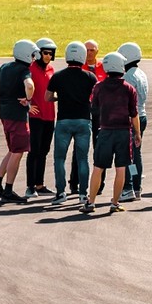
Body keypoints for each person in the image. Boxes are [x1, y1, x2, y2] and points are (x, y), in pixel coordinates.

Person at [87, 52, 140, 214]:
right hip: (123, 132)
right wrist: (137, 133)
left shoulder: (99, 87)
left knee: (98, 167)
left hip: (105, 131)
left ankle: (91, 202)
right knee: (121, 168)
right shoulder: (128, 89)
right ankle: (115, 202)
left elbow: (94, 108)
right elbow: (134, 114)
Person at [0, 40, 36, 202]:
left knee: (12, 150)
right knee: (17, 152)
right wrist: (28, 99)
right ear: (27, 54)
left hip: (4, 114)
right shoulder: (24, 70)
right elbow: (29, 85)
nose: (34, 58)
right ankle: (8, 189)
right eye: (33, 54)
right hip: (17, 117)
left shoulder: (5, 67)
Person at [49, 42, 97, 200]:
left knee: (59, 158)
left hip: (63, 120)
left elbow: (47, 97)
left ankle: (61, 192)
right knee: (82, 158)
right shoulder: (90, 77)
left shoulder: (58, 76)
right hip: (83, 120)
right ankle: (83, 194)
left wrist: (59, 97)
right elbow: (96, 97)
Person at [25, 37, 56, 197]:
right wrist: (28, 105)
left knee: (44, 151)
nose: (48, 56)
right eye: (45, 53)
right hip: (35, 116)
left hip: (50, 116)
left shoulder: (51, 69)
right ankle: (29, 186)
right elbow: (21, 87)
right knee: (34, 151)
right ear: (38, 53)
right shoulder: (30, 68)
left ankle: (40, 184)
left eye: (51, 54)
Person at [118, 42, 148, 201]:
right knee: (136, 153)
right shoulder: (141, 73)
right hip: (142, 115)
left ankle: (128, 186)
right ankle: (137, 186)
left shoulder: (128, 76)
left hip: (131, 117)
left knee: (128, 154)